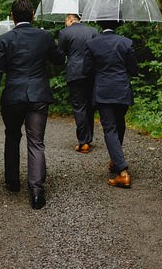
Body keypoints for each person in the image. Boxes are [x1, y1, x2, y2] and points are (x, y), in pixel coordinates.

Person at [0, 0, 64, 209]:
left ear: (12, 16)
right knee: (36, 141)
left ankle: (12, 181)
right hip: (38, 97)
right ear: (33, 15)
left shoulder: (4, 39)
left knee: (12, 136)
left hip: (13, 97)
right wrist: (51, 43)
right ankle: (37, 192)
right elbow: (59, 60)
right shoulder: (44, 36)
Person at [82, 20, 139, 188]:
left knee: (110, 128)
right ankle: (116, 160)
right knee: (119, 124)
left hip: (104, 91)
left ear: (100, 23)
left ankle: (122, 172)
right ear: (117, 24)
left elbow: (86, 70)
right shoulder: (126, 42)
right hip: (122, 90)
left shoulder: (92, 44)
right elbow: (134, 70)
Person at [57, 13, 98, 153]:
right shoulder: (93, 31)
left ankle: (83, 142)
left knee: (79, 106)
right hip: (91, 72)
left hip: (75, 73)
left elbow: (60, 55)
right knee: (89, 107)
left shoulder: (64, 32)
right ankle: (88, 138)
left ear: (69, 18)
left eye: (65, 21)